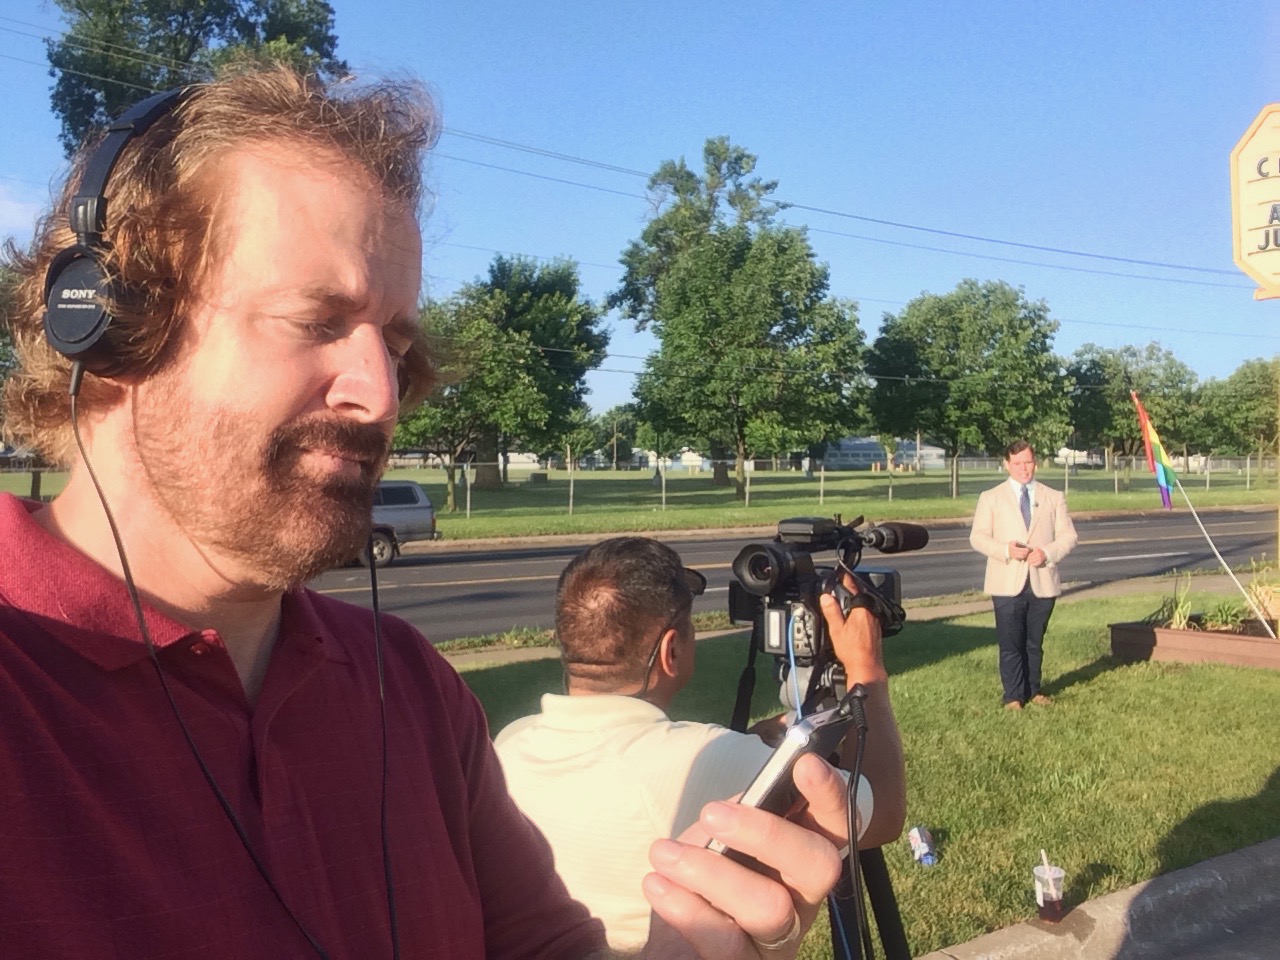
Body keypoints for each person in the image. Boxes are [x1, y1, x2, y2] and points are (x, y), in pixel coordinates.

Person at [0, 67, 854, 960]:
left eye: (396, 343)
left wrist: (693, 949)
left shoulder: (405, 683)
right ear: (111, 320)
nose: (382, 394)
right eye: (317, 319)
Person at [495, 537, 907, 951]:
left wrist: (748, 743)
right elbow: (884, 814)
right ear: (671, 650)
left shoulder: (507, 745)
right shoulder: (700, 760)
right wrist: (864, 667)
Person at [969, 440, 1079, 710]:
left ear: (1036, 463)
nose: (1023, 468)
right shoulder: (991, 497)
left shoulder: (1053, 497)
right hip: (1006, 582)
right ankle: (1014, 696)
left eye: (1028, 462)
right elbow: (978, 537)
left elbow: (1069, 536)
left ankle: (1034, 690)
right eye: (1017, 463)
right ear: (1006, 464)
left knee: (1034, 643)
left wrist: (1047, 553)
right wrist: (1005, 550)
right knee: (1010, 644)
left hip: (1042, 582)